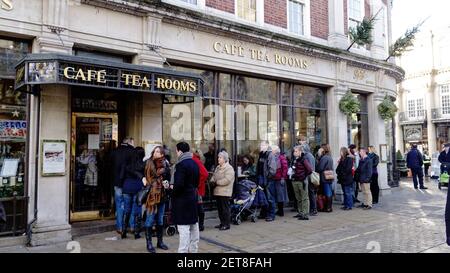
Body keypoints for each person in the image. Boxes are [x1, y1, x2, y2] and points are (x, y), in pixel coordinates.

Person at [172, 142, 200, 253]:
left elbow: (178, 185)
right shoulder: (194, 163)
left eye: (176, 151)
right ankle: (193, 251)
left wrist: (171, 191)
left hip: (182, 202)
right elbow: (197, 182)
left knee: (183, 230)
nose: (176, 153)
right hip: (192, 199)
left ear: (180, 151)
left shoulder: (181, 165)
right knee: (194, 228)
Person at [142, 146, 171, 253]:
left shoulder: (165, 164)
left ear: (162, 154)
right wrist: (143, 179)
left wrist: (166, 183)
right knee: (149, 219)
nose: (156, 153)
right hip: (152, 195)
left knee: (159, 219)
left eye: (159, 151)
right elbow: (143, 174)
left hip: (162, 195)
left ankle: (160, 242)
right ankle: (149, 243)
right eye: (155, 151)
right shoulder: (148, 162)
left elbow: (168, 176)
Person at [110, 137, 135, 236]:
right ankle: (132, 226)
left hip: (117, 183)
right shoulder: (132, 151)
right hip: (129, 183)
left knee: (119, 205)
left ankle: (120, 227)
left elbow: (110, 167)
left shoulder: (114, 151)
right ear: (129, 143)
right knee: (131, 205)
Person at [121, 146, 145, 239]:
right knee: (137, 210)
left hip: (127, 186)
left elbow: (122, 175)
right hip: (137, 188)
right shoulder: (142, 164)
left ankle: (123, 231)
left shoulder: (128, 164)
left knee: (126, 210)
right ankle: (136, 232)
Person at [210, 151, 235, 230]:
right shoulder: (218, 167)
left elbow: (227, 180)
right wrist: (212, 181)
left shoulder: (229, 168)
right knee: (220, 209)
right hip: (217, 191)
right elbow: (214, 176)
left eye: (220, 157)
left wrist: (217, 182)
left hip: (225, 192)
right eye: (218, 157)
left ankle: (226, 224)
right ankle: (222, 223)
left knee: (225, 209)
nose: (218, 159)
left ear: (224, 159)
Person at [290, 145, 312, 220]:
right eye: (294, 151)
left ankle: (305, 214)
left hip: (302, 181)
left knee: (304, 198)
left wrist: (303, 176)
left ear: (300, 151)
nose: (294, 153)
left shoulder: (304, 159)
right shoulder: (294, 159)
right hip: (295, 180)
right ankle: (300, 212)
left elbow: (309, 170)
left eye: (296, 151)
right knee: (298, 198)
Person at [299, 138, 317, 216]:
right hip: (310, 176)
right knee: (310, 193)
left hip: (309, 176)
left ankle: (313, 209)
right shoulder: (310, 155)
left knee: (310, 193)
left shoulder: (307, 156)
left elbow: (309, 167)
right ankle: (313, 208)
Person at [270, 146, 289, 217]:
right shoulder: (274, 157)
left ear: (276, 151)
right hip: (275, 178)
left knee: (280, 195)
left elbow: (285, 168)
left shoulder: (281, 157)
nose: (271, 151)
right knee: (277, 195)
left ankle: (281, 211)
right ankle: (279, 210)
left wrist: (283, 178)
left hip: (279, 179)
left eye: (272, 150)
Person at [193, 151, 209, 232]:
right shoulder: (196, 160)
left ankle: (200, 225)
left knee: (198, 206)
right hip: (197, 188)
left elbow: (205, 174)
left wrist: (197, 183)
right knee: (198, 206)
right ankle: (200, 225)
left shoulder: (195, 160)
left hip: (197, 189)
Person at [316, 144, 334, 212]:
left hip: (324, 177)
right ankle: (329, 207)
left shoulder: (324, 157)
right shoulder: (329, 157)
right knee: (329, 191)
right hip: (329, 176)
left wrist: (319, 156)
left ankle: (328, 208)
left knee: (327, 192)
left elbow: (320, 168)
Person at [256, 141, 271, 219]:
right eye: (261, 145)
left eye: (263, 145)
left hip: (265, 178)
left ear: (267, 146)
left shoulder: (268, 154)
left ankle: (268, 213)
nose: (261, 146)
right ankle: (263, 212)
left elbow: (271, 168)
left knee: (267, 196)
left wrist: (268, 177)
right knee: (262, 195)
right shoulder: (261, 154)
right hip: (260, 177)